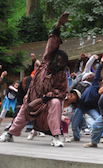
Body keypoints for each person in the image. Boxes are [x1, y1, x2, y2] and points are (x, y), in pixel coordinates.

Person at [0, 13, 71, 147]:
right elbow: (52, 44)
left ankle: (56, 136)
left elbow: (62, 92)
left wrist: (45, 98)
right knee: (21, 116)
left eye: (63, 62)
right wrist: (58, 26)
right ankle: (9, 134)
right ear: (54, 58)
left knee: (56, 102)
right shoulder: (45, 62)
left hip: (47, 101)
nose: (60, 63)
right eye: (58, 60)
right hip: (32, 97)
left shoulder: (62, 75)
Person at [71, 54, 103, 141]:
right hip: (81, 106)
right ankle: (76, 136)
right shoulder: (93, 84)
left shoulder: (99, 92)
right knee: (74, 124)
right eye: (89, 75)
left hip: (91, 108)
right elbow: (96, 71)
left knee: (98, 119)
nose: (88, 75)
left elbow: (100, 107)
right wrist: (101, 63)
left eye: (90, 75)